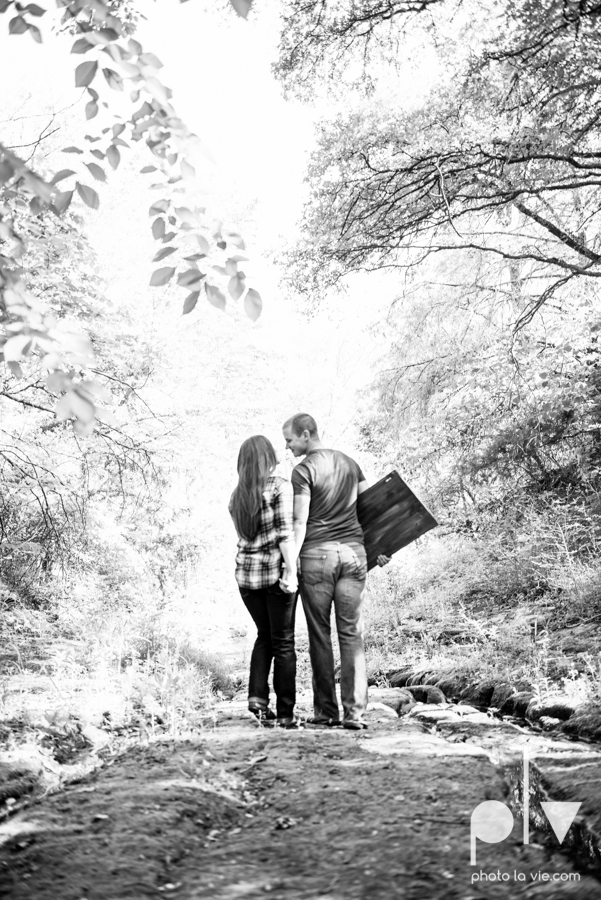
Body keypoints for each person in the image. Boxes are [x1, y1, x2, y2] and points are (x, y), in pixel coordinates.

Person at [282, 413, 388, 730]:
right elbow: (372, 504)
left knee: (320, 636)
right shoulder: (349, 463)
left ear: (305, 434)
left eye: (289, 440)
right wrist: (381, 545)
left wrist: (290, 566)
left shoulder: (303, 470)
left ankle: (326, 712)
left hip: (317, 557)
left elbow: (299, 521)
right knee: (352, 634)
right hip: (354, 555)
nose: (288, 447)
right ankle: (354, 714)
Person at [229, 435, 299, 728]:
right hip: (274, 576)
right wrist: (291, 571)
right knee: (283, 642)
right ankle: (285, 713)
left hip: (246, 579)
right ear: (267, 458)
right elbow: (285, 534)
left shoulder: (237, 496)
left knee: (264, 636)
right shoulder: (279, 487)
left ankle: (257, 699)